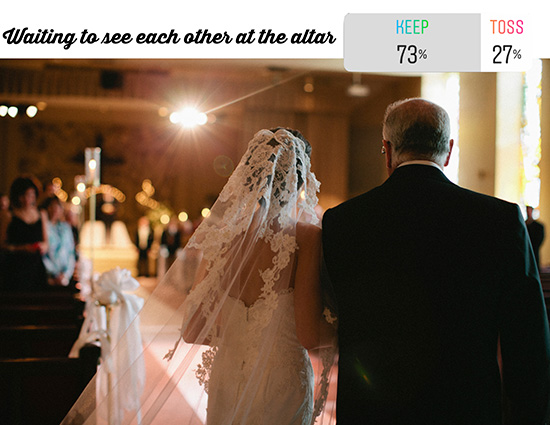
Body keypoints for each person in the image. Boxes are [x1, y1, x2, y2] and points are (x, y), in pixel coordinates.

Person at [62, 128, 337, 424]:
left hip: (227, 380)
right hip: (279, 385)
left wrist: (239, 336)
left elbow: (193, 330)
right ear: (300, 178)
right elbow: (309, 334)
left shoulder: (223, 239)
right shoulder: (307, 237)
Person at [322, 98, 550, 424]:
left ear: (387, 150)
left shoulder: (342, 222)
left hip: (371, 408)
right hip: (466, 406)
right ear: (449, 150)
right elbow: (527, 340)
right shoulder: (499, 220)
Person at [2, 176, 49, 291]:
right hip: (15, 267)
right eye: (24, 196)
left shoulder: (41, 214)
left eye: (31, 195)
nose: (28, 199)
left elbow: (46, 242)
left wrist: (43, 247)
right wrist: (21, 248)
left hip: (36, 266)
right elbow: (2, 244)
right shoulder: (8, 216)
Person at [42, 196, 76, 287]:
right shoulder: (44, 227)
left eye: (58, 207)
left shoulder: (65, 227)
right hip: (47, 274)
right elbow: (43, 253)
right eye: (52, 207)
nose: (55, 210)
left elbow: (70, 252)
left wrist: (66, 274)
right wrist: (54, 273)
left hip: (64, 276)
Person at [526, 205, 545, 271]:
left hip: (534, 250)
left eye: (529, 211)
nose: (528, 213)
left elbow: (540, 238)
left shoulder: (538, 226)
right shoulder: (525, 225)